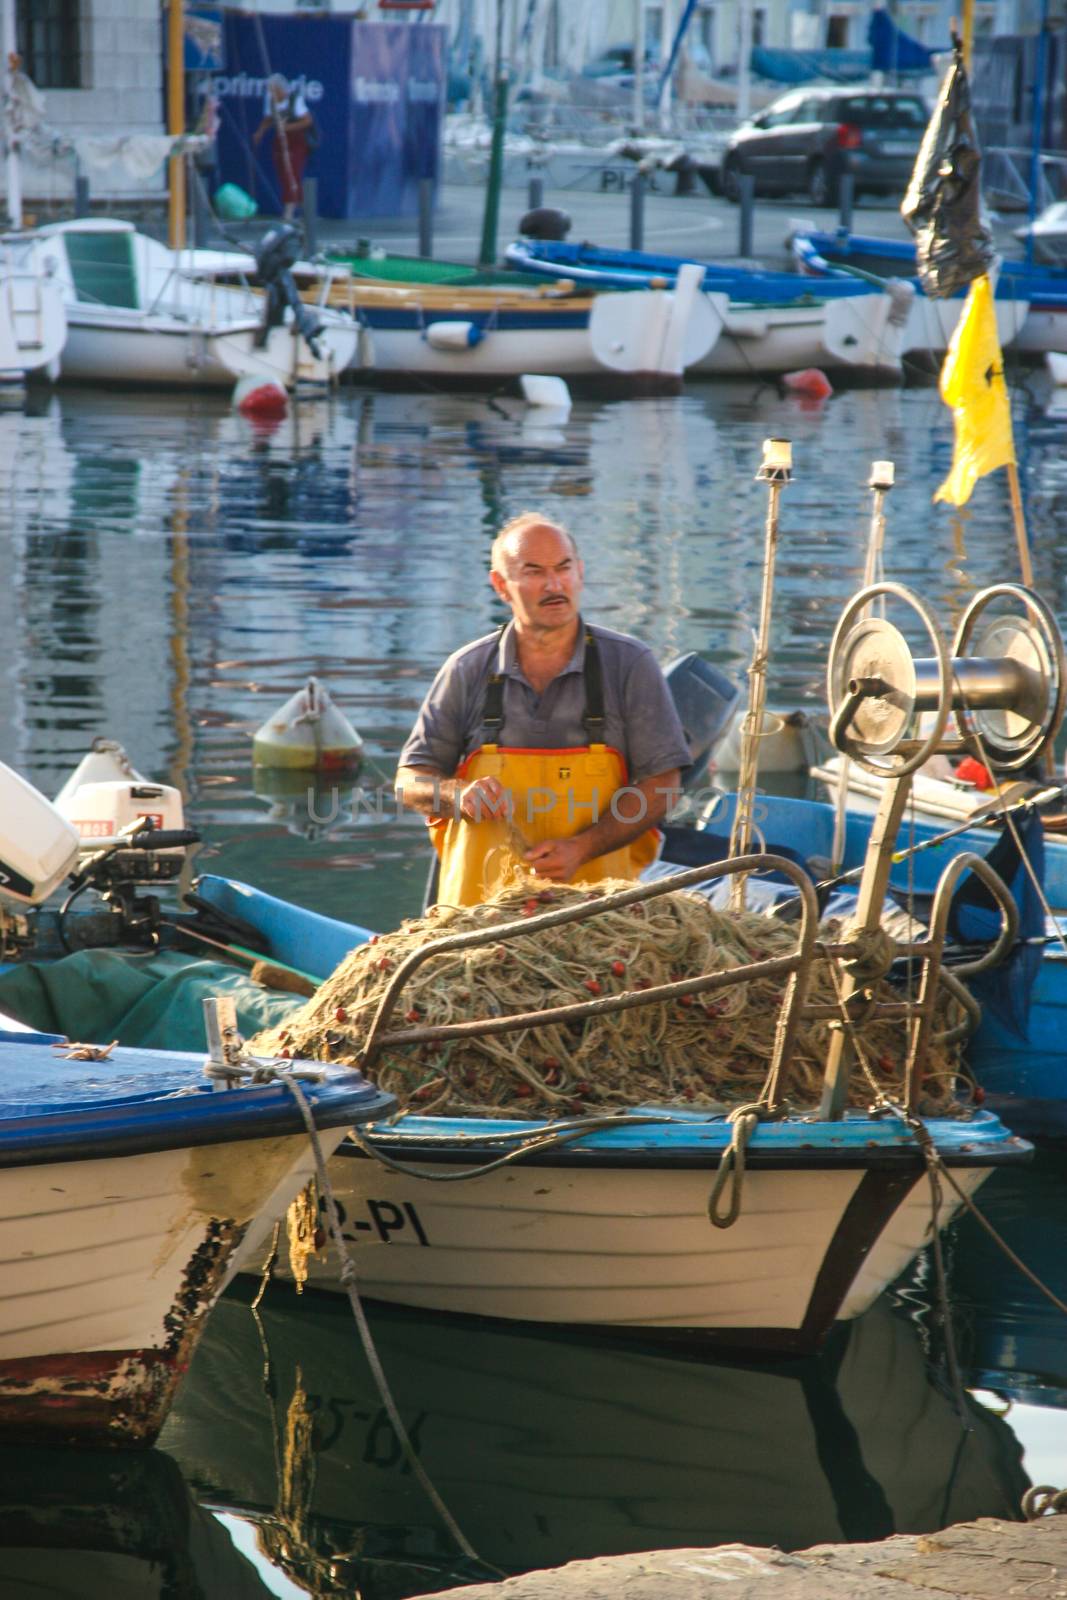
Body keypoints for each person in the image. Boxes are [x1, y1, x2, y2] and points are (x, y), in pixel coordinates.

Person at [396, 512, 691, 907]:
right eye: (534, 572)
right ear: (501, 585)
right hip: (478, 925)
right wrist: (457, 795)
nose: (554, 585)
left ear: (580, 572)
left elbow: (662, 785)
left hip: (599, 923)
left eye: (563, 568)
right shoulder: (466, 669)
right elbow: (409, 781)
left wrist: (583, 847)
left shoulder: (630, 664)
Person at [253, 73, 314, 221]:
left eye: (273, 90)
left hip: (296, 141)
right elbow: (268, 119)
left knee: (292, 172)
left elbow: (307, 121)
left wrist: (288, 127)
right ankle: (295, 203)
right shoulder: (271, 101)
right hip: (280, 141)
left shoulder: (294, 100)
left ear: (281, 89)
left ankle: (290, 208)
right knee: (283, 173)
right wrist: (260, 132)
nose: (271, 93)